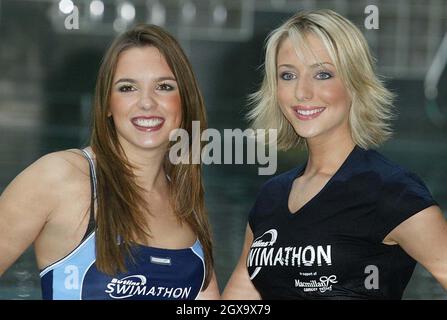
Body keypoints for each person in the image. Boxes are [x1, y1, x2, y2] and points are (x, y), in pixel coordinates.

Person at [223, 9, 447, 299]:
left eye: (322, 74)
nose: (302, 92)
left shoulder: (392, 191)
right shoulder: (271, 196)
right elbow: (243, 290)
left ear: (354, 84)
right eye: (288, 75)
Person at [0, 24, 220, 300]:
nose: (147, 103)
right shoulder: (60, 178)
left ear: (184, 101)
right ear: (106, 104)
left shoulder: (185, 202)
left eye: (164, 87)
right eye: (128, 88)